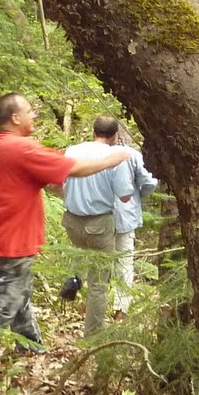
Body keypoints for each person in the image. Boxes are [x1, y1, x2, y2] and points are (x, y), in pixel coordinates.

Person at [0, 94, 136, 373]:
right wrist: (113, 158)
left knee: (18, 295)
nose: (35, 115)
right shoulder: (23, 149)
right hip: (14, 243)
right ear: (15, 118)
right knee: (3, 306)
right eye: (30, 111)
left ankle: (31, 346)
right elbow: (74, 169)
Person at [61, 115, 159, 335]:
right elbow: (125, 195)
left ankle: (75, 277)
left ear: (93, 132)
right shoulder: (121, 157)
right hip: (106, 221)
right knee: (107, 276)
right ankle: (100, 331)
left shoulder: (73, 151)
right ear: (115, 135)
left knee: (80, 250)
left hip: (72, 219)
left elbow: (60, 183)